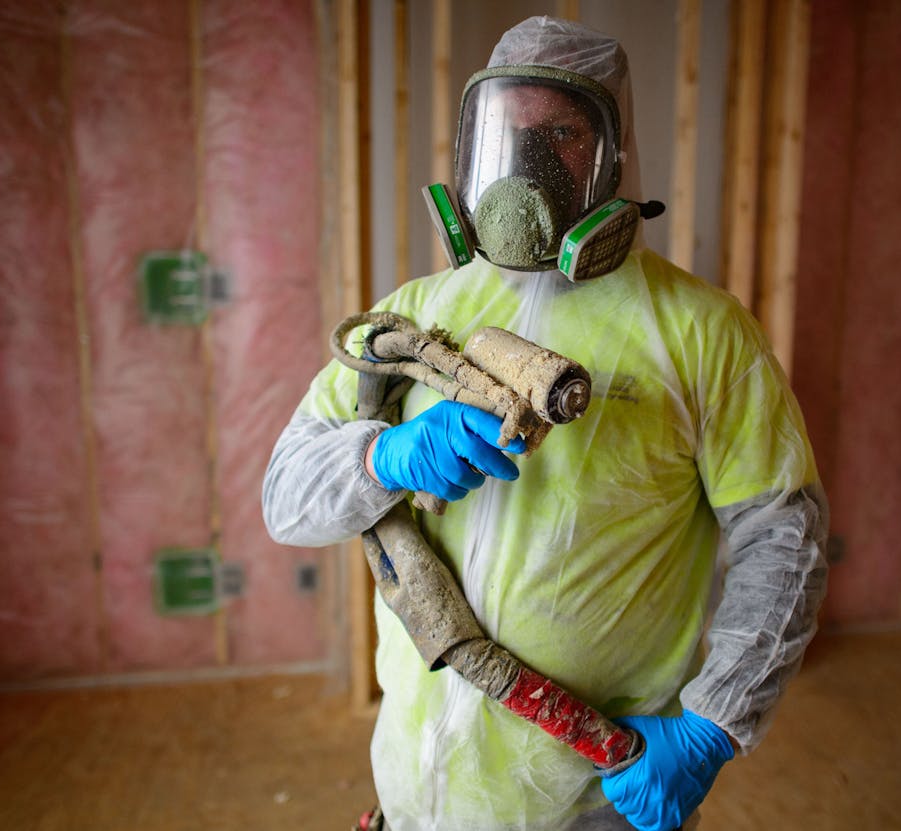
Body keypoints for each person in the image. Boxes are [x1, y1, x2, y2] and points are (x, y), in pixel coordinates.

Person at [263, 15, 828, 831]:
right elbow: (285, 493)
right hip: (417, 800)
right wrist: (382, 457)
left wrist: (712, 723)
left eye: (559, 132)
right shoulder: (416, 314)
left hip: (585, 802)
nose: (526, 161)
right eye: (507, 132)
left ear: (614, 154)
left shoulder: (701, 332)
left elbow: (784, 536)